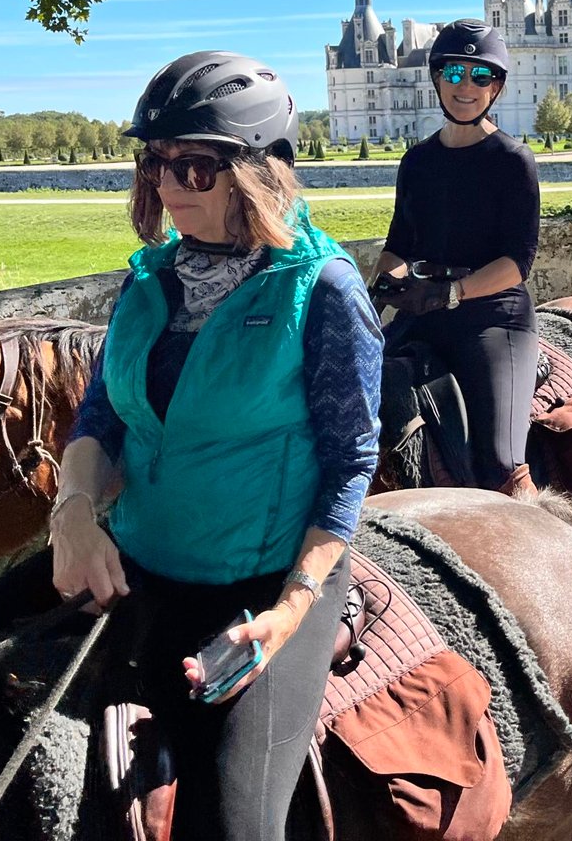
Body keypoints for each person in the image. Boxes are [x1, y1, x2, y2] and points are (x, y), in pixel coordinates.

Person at [41, 51, 383, 839]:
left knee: (234, 826)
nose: (167, 187)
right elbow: (102, 418)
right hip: (138, 564)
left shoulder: (323, 291)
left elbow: (350, 464)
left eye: (195, 167)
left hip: (260, 585)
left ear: (256, 172)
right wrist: (75, 509)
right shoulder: (148, 281)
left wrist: (290, 611)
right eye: (156, 163)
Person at [373, 19, 541, 496]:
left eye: (480, 76)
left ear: (497, 87)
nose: (465, 86)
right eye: (453, 74)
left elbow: (517, 261)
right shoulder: (418, 162)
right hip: (424, 313)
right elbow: (398, 244)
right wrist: (383, 288)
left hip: (492, 318)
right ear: (437, 79)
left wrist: (453, 293)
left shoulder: (513, 160)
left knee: (500, 462)